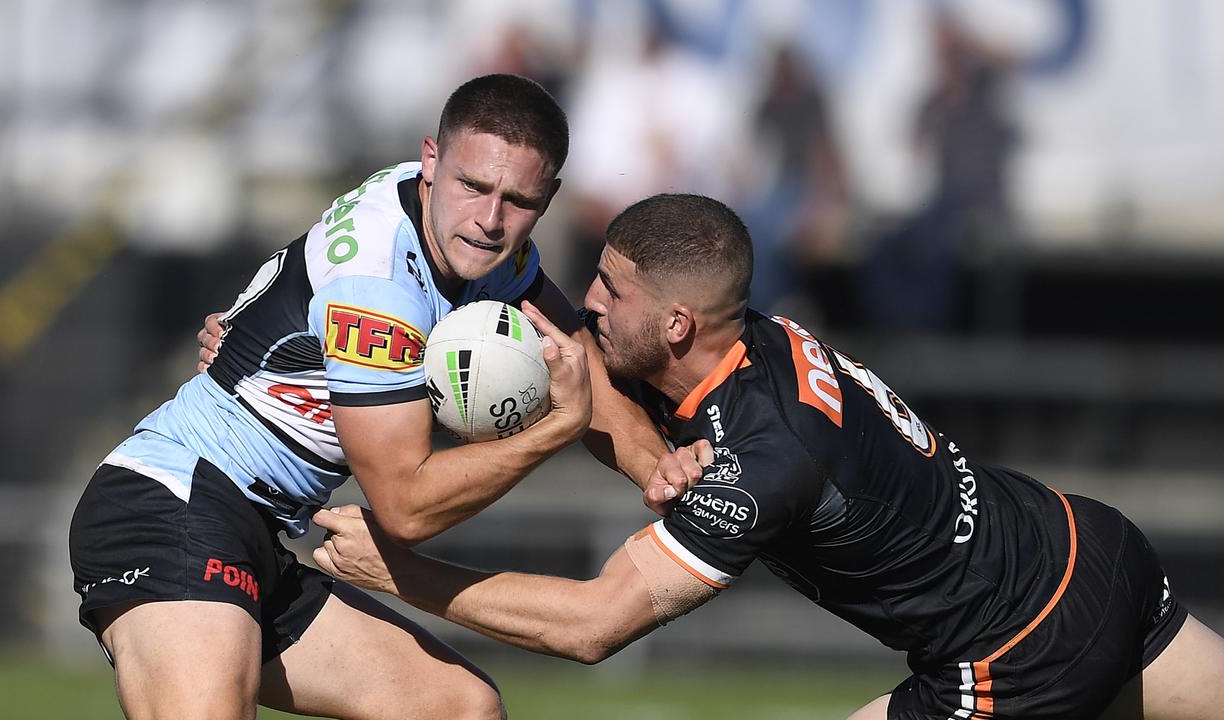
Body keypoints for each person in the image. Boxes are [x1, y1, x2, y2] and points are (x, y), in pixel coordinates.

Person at [308, 193, 1224, 719]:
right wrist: (269, 339)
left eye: (609, 290)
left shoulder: (762, 463)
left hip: (1017, 655)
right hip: (1092, 546)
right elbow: (596, 366)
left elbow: (592, 627)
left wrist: (400, 571)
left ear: (674, 324)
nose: (585, 302)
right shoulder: (757, 342)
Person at [69, 74, 687, 720]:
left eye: (518, 199)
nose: (489, 219)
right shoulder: (378, 284)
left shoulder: (466, 232)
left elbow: (573, 355)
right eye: (473, 186)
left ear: (548, 197)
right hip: (173, 503)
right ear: (430, 159)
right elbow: (406, 508)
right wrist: (555, 430)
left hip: (255, 528)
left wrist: (662, 473)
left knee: (461, 710)